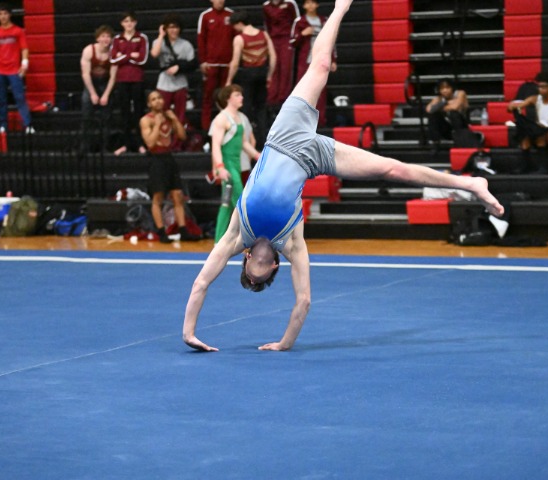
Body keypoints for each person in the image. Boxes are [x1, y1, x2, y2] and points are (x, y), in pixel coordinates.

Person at [182, 0, 504, 353]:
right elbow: (304, 301)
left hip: (284, 137)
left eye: (253, 264)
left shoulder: (236, 235)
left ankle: (338, 9)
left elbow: (201, 283)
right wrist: (284, 344)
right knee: (391, 169)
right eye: (265, 265)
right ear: (274, 265)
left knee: (320, 65)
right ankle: (470, 183)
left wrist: (188, 332)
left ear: (245, 258)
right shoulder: (292, 245)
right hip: (314, 159)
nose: (259, 260)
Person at [139, 90, 200, 243]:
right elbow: (150, 143)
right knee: (158, 197)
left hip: (169, 158)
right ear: (149, 104)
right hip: (156, 159)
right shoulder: (146, 120)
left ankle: (183, 230)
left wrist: (175, 120)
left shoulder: (169, 116)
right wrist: (157, 124)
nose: (158, 101)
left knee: (177, 195)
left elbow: (182, 136)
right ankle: (161, 232)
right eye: (153, 99)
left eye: (159, 98)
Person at [208, 84, 261, 243]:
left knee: (226, 205)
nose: (241, 98)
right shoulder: (221, 119)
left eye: (241, 95)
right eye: (237, 95)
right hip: (228, 166)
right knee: (241, 202)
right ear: (228, 98)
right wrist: (220, 167)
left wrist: (257, 155)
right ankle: (252, 239)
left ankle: (218, 241)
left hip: (237, 165)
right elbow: (216, 146)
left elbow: (244, 143)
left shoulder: (240, 117)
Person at [226, 10, 276, 145]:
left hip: (248, 74)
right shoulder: (264, 34)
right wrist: (269, 75)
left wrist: (229, 80)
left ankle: (248, 139)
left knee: (246, 107)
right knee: (261, 108)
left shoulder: (239, 38)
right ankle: (263, 139)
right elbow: (273, 57)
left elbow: (235, 63)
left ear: (239, 23)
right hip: (262, 72)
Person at [0, 3, 33, 134]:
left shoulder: (18, 31)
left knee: (19, 97)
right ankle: (3, 126)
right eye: (0, 14)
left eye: (5, 13)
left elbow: (24, 48)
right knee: (1, 99)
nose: (3, 16)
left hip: (14, 70)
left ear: (9, 15)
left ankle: (27, 125)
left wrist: (24, 64)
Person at [507, 72, 548, 174]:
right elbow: (520, 105)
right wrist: (512, 106)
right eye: (539, 87)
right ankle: (526, 165)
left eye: (544, 87)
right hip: (538, 130)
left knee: (541, 135)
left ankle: (543, 166)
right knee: (525, 136)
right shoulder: (535, 98)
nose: (541, 89)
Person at [290, 0, 336, 128]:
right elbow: (292, 42)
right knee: (303, 90)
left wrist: (333, 59)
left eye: (313, 2)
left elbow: (331, 40)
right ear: (304, 6)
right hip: (305, 62)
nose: (310, 5)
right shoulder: (299, 21)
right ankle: (303, 122)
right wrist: (302, 34)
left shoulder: (324, 20)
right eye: (307, 3)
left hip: (321, 60)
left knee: (321, 91)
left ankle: (320, 121)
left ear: (317, 4)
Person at [110, 11, 149, 155]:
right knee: (124, 113)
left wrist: (123, 56)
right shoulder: (117, 39)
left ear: (135, 22)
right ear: (122, 23)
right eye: (126, 21)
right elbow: (112, 59)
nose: (129, 24)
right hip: (122, 80)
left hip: (137, 79)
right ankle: (126, 144)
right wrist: (131, 55)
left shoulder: (142, 37)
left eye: (131, 21)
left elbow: (143, 59)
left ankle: (140, 144)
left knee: (139, 112)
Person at [150, 14, 198, 130]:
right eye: (171, 27)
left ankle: (178, 139)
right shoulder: (159, 42)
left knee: (180, 115)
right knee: (162, 112)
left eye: (176, 27)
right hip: (164, 82)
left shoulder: (185, 45)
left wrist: (179, 67)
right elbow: (154, 54)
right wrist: (161, 35)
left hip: (180, 83)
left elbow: (193, 63)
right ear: (166, 28)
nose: (174, 30)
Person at [79, 25, 117, 156]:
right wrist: (92, 93)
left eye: (108, 36)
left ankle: (105, 147)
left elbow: (113, 77)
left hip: (105, 83)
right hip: (91, 83)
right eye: (103, 36)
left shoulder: (113, 52)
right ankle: (84, 147)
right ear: (97, 38)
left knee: (107, 117)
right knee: (86, 116)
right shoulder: (89, 50)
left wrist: (106, 94)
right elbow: (85, 74)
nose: (106, 39)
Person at [197, 0, 235, 131]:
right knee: (208, 97)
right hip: (211, 64)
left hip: (227, 64)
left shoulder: (231, 15)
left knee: (227, 98)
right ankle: (206, 130)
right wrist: (203, 61)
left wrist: (234, 60)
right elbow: (201, 39)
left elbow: (236, 38)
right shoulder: (205, 16)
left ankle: (228, 128)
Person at [263, 0, 299, 108]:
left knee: (285, 68)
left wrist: (293, 38)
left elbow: (296, 21)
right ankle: (271, 99)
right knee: (273, 67)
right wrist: (269, 39)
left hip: (286, 39)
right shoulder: (266, 6)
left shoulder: (290, 3)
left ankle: (284, 98)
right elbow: (267, 24)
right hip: (273, 39)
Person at [425, 78, 469, 150]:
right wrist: (444, 103)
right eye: (442, 88)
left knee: (453, 113)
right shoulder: (439, 99)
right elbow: (429, 110)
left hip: (462, 127)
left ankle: (460, 142)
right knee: (433, 115)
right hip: (448, 129)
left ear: (452, 88)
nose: (445, 90)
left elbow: (455, 107)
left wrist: (439, 107)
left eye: (447, 88)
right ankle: (436, 143)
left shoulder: (460, 93)